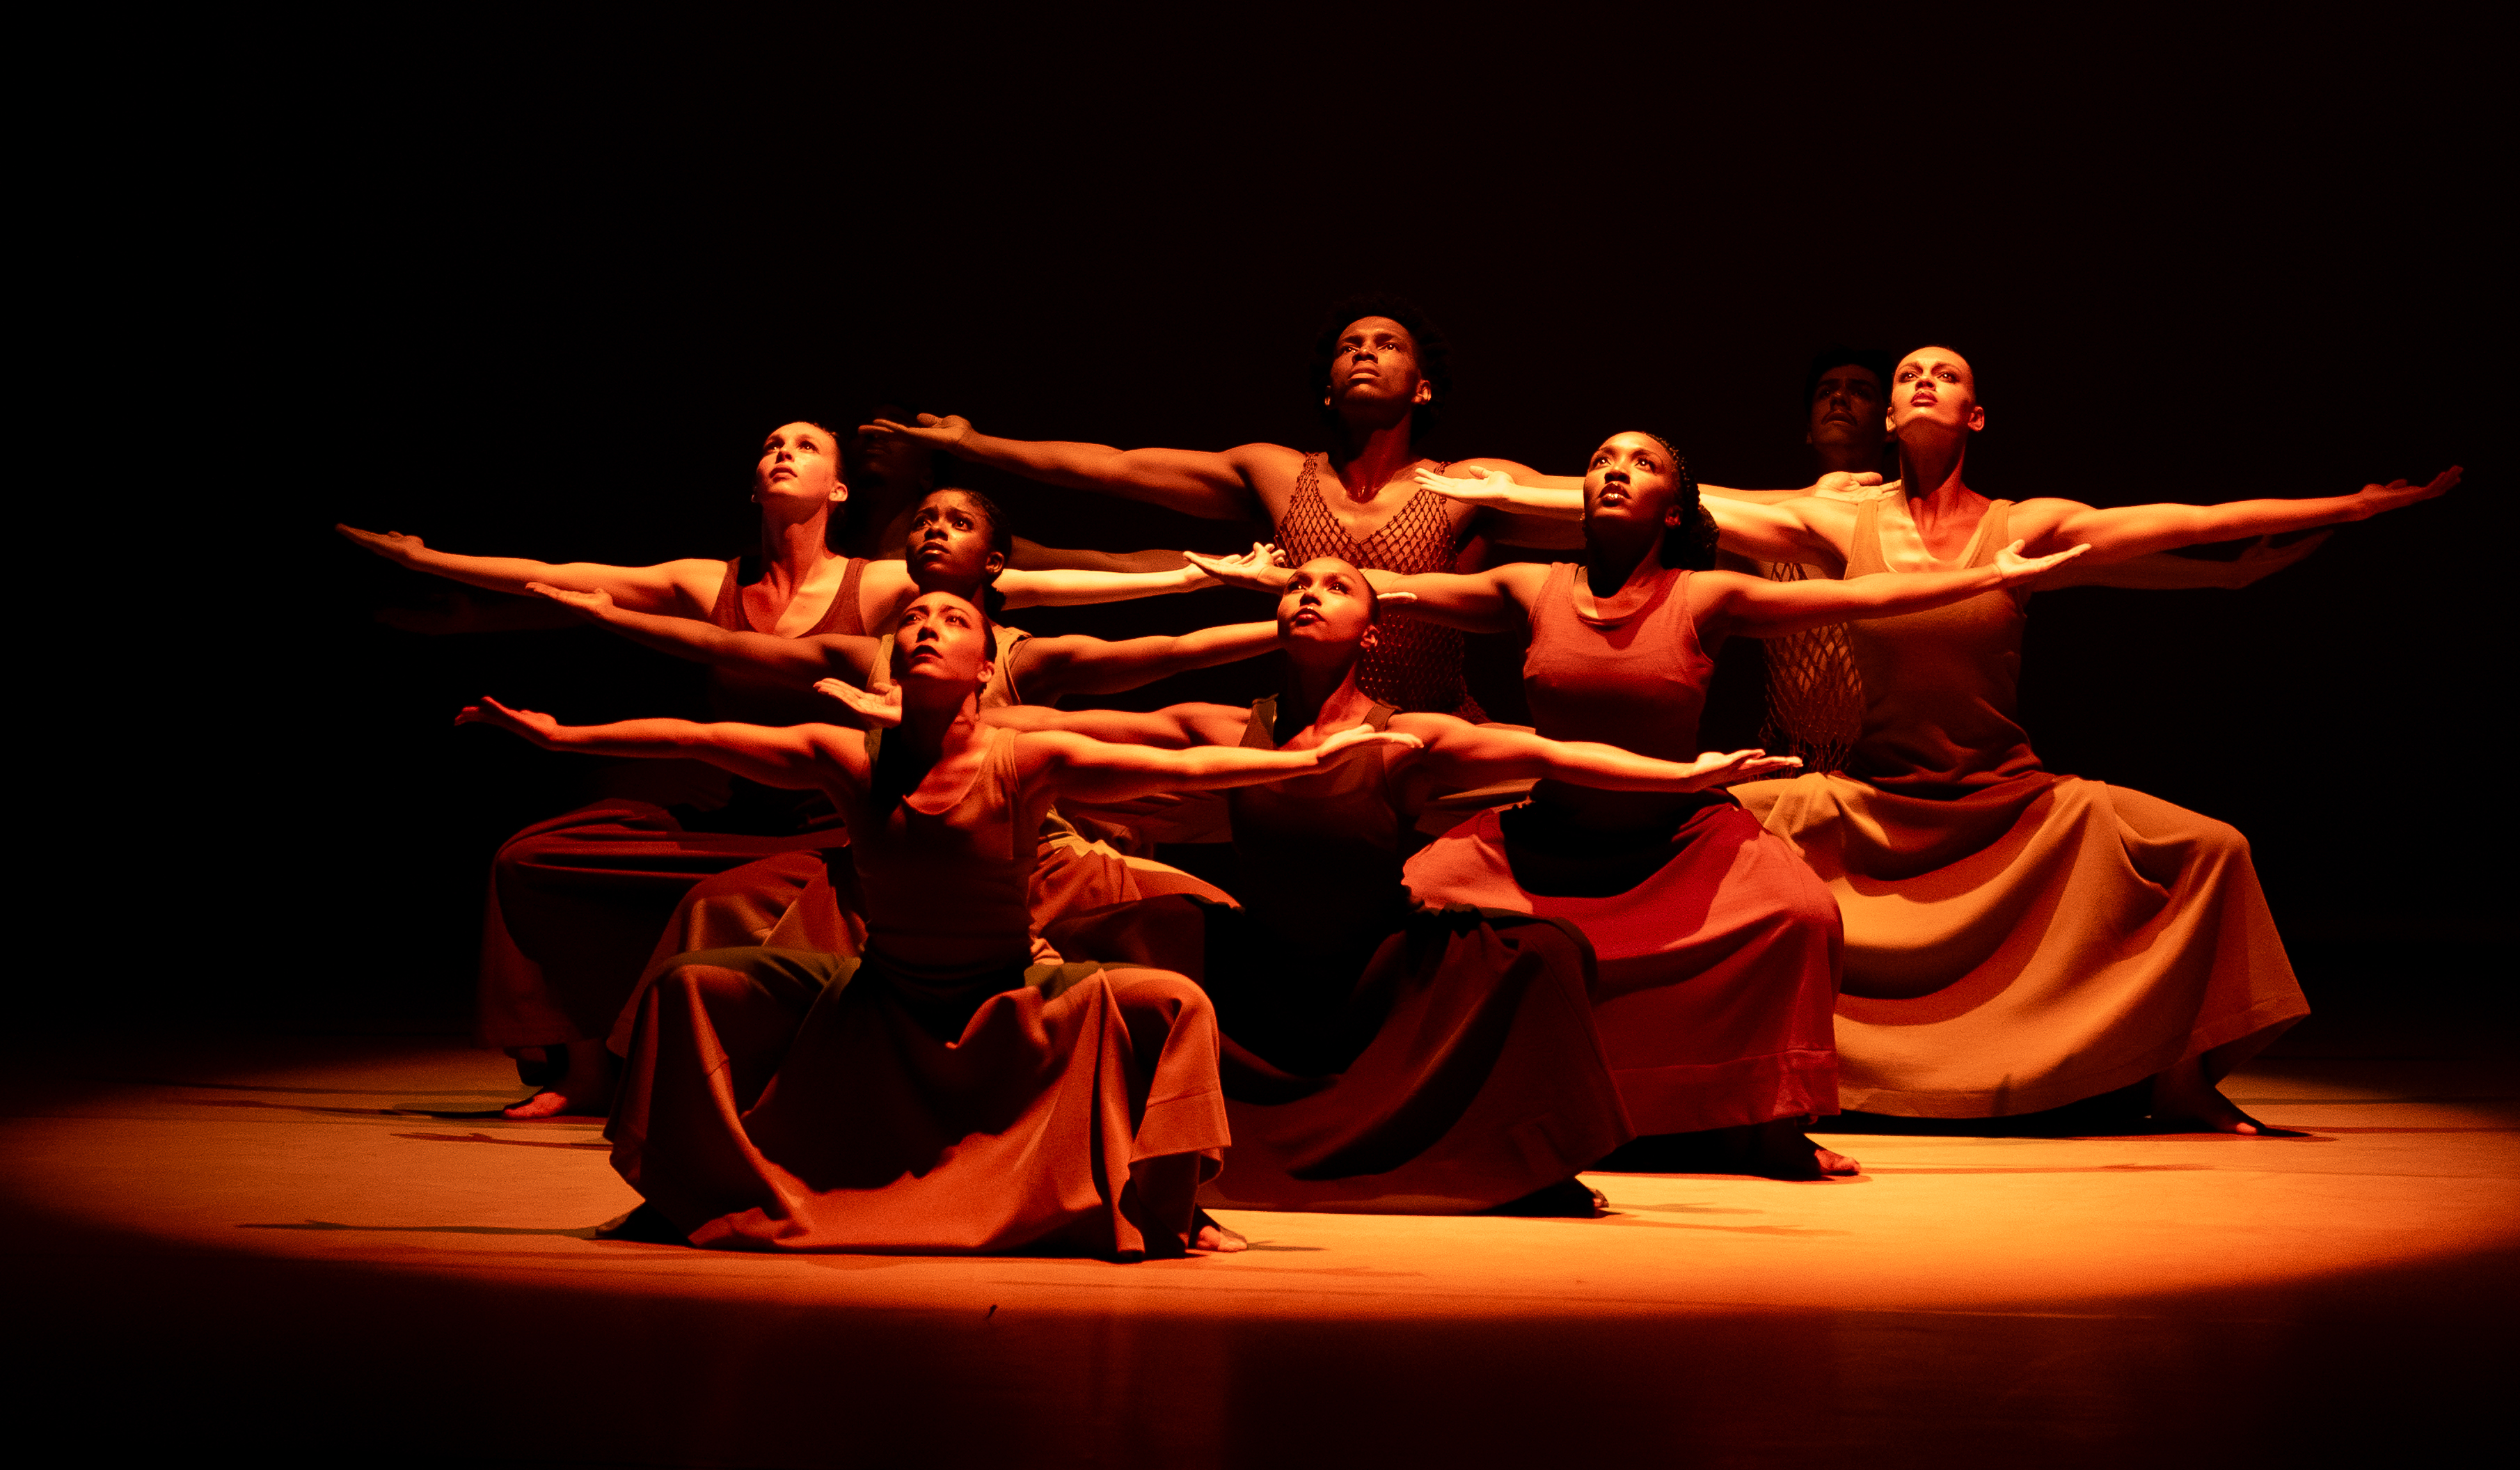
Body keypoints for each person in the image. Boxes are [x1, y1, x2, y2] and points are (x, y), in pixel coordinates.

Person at [1443, 351, 2458, 1132]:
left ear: (1974, 414)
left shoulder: (2025, 525)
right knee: (1700, 839)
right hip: (1874, 798)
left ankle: (2181, 1083)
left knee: (2207, 849)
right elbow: (1675, 500)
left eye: (1946, 375)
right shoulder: (1837, 522)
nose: (1922, 383)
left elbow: (2182, 521)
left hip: (2006, 794)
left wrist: (2355, 504)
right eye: (1907, 376)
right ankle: (1714, 1080)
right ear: (1888, 416)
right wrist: (1495, 491)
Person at [1197, 432, 2089, 1176]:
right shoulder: (1527, 587)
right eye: (1598, 460)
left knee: (1800, 913)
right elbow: (1391, 588)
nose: (1612, 469)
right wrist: (1277, 585)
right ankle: (1428, 1102)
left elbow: (1860, 591)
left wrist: (1981, 576)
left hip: (1675, 832)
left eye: (1640, 462)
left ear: (1673, 509)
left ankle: (1767, 1123)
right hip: (1547, 832)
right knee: (1419, 898)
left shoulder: (1707, 593)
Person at [457, 591, 1420, 1258]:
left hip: (1011, 988)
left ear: (983, 664)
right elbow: (703, 737)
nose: (924, 628)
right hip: (874, 996)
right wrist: (563, 737)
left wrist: (1304, 764)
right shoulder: (847, 754)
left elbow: (1194, 772)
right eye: (910, 620)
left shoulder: (1024, 756)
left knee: (1171, 1005)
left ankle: (1170, 1213)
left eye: (949, 620)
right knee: (689, 985)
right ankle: (686, 1193)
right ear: (890, 659)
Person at [835, 555, 1796, 1212]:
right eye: (1295, 583)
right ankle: (1117, 1149)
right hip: (1265, 974)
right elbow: (1056, 733)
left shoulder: (1402, 736)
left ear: (1369, 630)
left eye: (1334, 586)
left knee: (1544, 952)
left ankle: (1524, 1163)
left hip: (1373, 973)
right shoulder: (1219, 728)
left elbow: (1549, 752)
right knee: (1139, 935)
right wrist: (919, 712)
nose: (1307, 594)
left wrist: (1686, 775)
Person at [336, 424, 1228, 1117]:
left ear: (839, 487)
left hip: (835, 817)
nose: (780, 454)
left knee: (714, 905)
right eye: (769, 444)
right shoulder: (711, 580)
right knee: (534, 856)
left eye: (803, 445)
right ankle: (578, 1068)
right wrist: (432, 560)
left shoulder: (889, 594)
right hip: (729, 799)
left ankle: (663, 1073)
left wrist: (1197, 578)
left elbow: (1053, 601)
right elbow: (572, 582)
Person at [868, 296, 1861, 717]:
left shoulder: (1467, 482)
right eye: (1348, 343)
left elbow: (1639, 498)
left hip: (1427, 721)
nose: (1363, 351)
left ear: (1421, 386)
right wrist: (967, 446)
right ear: (1325, 383)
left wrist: (1815, 509)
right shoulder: (1269, 471)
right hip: (1294, 719)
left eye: (1385, 343)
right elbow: (1112, 467)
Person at [1428, 347, 2327, 769]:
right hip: (1807, 751)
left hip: (1898, 750)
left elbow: (2093, 557)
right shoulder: (1802, 514)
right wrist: (1507, 490)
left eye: (1862, 390)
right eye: (1828, 390)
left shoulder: (1975, 520)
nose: (1844, 403)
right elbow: (1642, 504)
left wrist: (2223, 574)